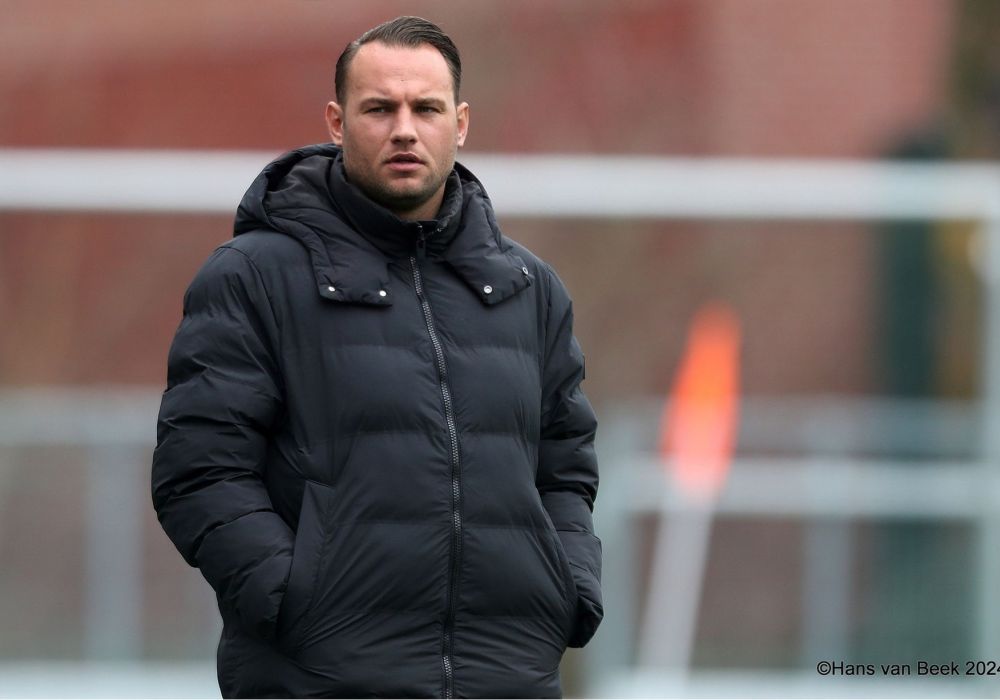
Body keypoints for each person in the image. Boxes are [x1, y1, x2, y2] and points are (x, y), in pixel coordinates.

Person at [151, 15, 601, 699]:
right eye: (379, 108)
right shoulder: (253, 277)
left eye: (426, 108)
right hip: (319, 680)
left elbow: (565, 469)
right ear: (337, 122)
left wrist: (566, 590)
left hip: (507, 678)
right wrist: (294, 600)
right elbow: (199, 470)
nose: (404, 130)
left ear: (461, 123)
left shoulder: (527, 289)